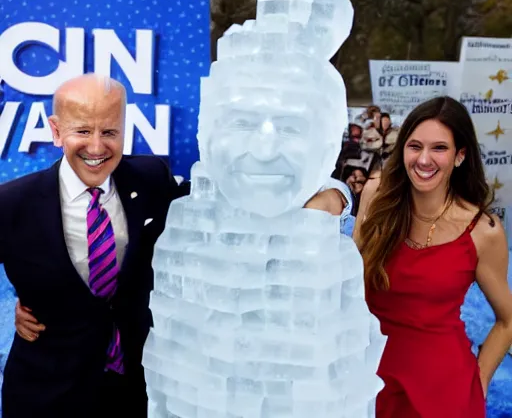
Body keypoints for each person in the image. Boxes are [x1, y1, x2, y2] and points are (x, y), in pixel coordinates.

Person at [7, 74, 346, 418]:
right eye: (82, 131)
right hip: (47, 394)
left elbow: (233, 201)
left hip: (137, 391)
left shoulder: (150, 177)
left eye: (109, 132)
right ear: (55, 130)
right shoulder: (11, 204)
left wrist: (336, 195)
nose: (96, 147)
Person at [354, 96, 512, 418]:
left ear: (460, 156)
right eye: (415, 146)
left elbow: (507, 321)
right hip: (366, 380)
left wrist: (476, 382)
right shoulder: (376, 196)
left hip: (445, 393)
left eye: (439, 148)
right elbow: (349, 282)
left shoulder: (483, 231)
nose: (424, 159)